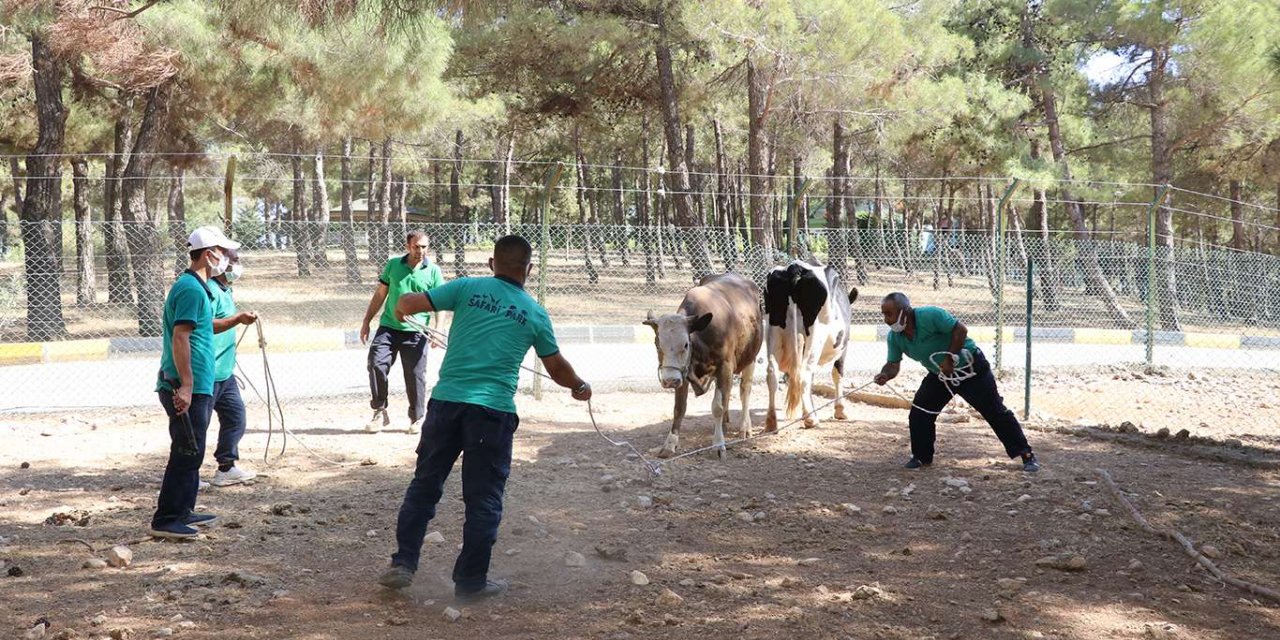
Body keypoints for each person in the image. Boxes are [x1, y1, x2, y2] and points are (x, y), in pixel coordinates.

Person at [377, 234, 592, 603]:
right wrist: (579, 386)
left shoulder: (466, 288)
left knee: (425, 485)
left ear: (492, 264)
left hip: (446, 405)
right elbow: (556, 368)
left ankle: (403, 563)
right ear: (529, 270)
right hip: (492, 415)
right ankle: (471, 581)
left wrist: (400, 310)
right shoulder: (535, 312)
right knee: (484, 500)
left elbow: (408, 303)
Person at [873, 292, 1041, 473]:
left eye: (889, 314)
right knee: (920, 412)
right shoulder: (895, 337)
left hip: (970, 369)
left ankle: (1026, 454)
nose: (886, 319)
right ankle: (921, 457)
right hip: (941, 375)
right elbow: (893, 364)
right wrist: (885, 374)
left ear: (904, 311)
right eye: (883, 314)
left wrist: (950, 357)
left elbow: (960, 330)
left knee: (994, 411)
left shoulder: (931, 315)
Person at [150, 226, 240, 539]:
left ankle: (184, 510)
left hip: (200, 383)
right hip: (185, 386)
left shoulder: (200, 287)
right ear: (207, 253)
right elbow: (180, 336)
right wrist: (185, 385)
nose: (227, 258)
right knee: (186, 450)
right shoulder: (189, 289)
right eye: (223, 251)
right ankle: (167, 519)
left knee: (195, 449)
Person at [360, 231, 445, 434]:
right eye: (416, 246)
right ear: (408, 246)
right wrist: (366, 321)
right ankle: (380, 412)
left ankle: (417, 418)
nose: (420, 251)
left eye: (424, 247)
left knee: (415, 375)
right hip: (389, 327)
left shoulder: (433, 271)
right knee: (375, 364)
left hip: (416, 332)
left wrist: (439, 330)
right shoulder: (393, 265)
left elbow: (439, 303)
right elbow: (380, 294)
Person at [207, 247, 259, 487]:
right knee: (196, 428)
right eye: (235, 260)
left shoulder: (226, 289)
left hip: (225, 372)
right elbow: (202, 324)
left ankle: (226, 467)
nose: (239, 265)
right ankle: (186, 475)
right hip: (205, 371)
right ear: (222, 262)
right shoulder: (206, 290)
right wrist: (237, 319)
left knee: (235, 417)